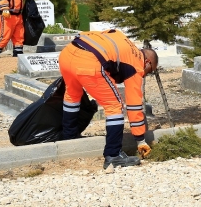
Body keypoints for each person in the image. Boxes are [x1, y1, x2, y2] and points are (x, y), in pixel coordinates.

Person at [58, 29, 159, 169]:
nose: (145, 74)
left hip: (67, 54)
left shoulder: (122, 37)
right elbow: (134, 105)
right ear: (147, 61)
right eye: (150, 71)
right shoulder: (137, 64)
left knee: (72, 94)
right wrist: (140, 139)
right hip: (89, 61)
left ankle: (69, 139)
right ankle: (113, 155)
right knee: (115, 105)